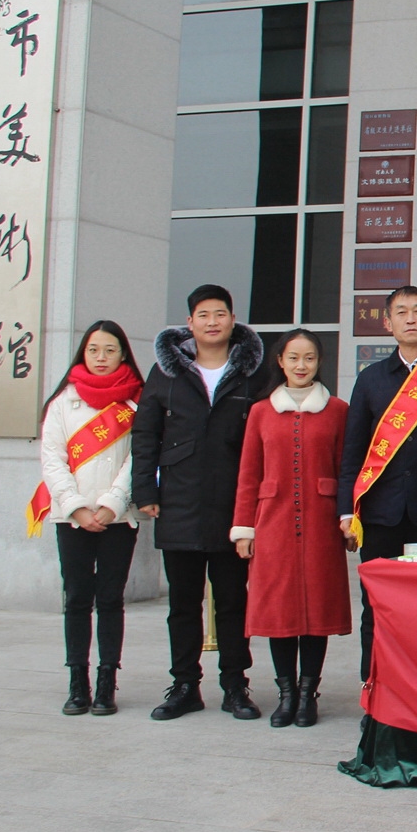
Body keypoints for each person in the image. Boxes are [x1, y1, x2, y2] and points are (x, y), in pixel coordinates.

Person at [133, 285, 276, 720]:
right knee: (183, 603)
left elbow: (267, 438)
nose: (212, 322)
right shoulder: (167, 371)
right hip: (179, 500)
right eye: (203, 315)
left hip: (234, 503)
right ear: (189, 323)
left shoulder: (254, 372)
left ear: (233, 319)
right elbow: (145, 432)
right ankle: (184, 685)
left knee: (232, 600)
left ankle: (235, 686)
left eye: (220, 314)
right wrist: (145, 490)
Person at [337, 286, 417, 683]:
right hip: (380, 516)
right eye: (402, 312)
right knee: (376, 608)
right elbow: (353, 451)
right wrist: (346, 511)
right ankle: (374, 689)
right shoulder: (370, 380)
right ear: (388, 323)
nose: (411, 318)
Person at [231, 329, 351, 728]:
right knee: (279, 610)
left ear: (319, 362)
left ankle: (308, 693)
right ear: (280, 361)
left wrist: (348, 518)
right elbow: (249, 473)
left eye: (309, 358)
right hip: (273, 523)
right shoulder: (261, 412)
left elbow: (346, 469)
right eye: (294, 358)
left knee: (317, 609)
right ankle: (286, 694)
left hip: (321, 523)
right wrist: (244, 528)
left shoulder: (337, 410)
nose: (302, 365)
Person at [32, 320, 144, 717]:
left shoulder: (137, 402)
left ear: (123, 354)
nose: (101, 357)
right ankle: (77, 682)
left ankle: (107, 681)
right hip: (72, 518)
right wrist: (76, 506)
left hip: (119, 517)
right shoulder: (62, 402)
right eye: (94, 349)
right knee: (77, 598)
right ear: (83, 352)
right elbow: (52, 458)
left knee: (111, 599)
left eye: (110, 350)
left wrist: (112, 503)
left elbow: (140, 457)